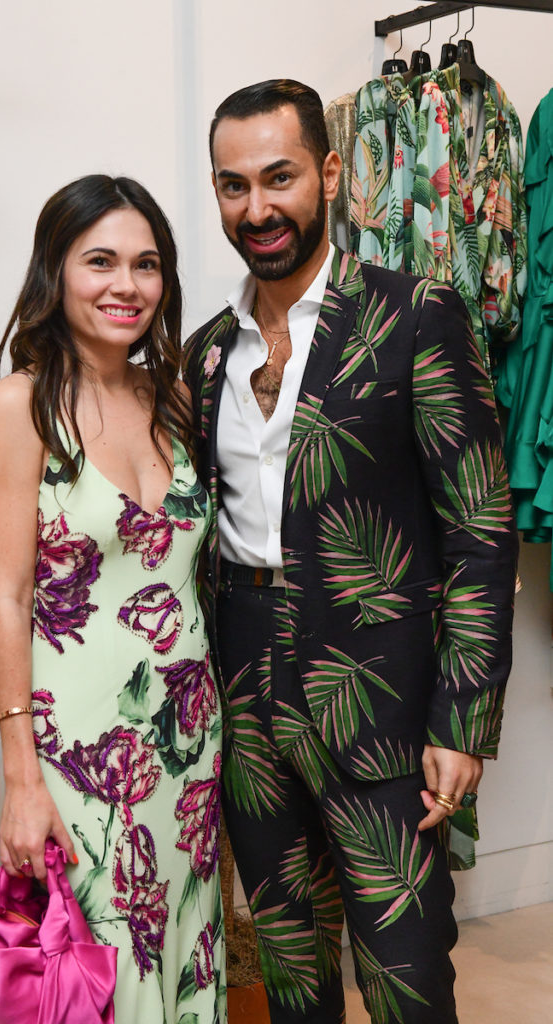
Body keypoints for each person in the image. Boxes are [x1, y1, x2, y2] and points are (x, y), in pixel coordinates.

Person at [183, 80, 518, 1024]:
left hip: (377, 687)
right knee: (288, 968)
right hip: (244, 685)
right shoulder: (205, 351)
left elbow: (479, 532)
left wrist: (463, 717)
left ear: (329, 173)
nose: (258, 208)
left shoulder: (418, 313)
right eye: (233, 186)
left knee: (406, 971)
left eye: (279, 177)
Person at [0, 174, 226, 1024]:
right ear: (56, 271)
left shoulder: (176, 399)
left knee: (186, 948)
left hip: (188, 749)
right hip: (77, 753)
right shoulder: (18, 409)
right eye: (101, 262)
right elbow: (4, 599)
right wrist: (20, 780)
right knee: (96, 967)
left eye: (146, 265)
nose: (127, 286)